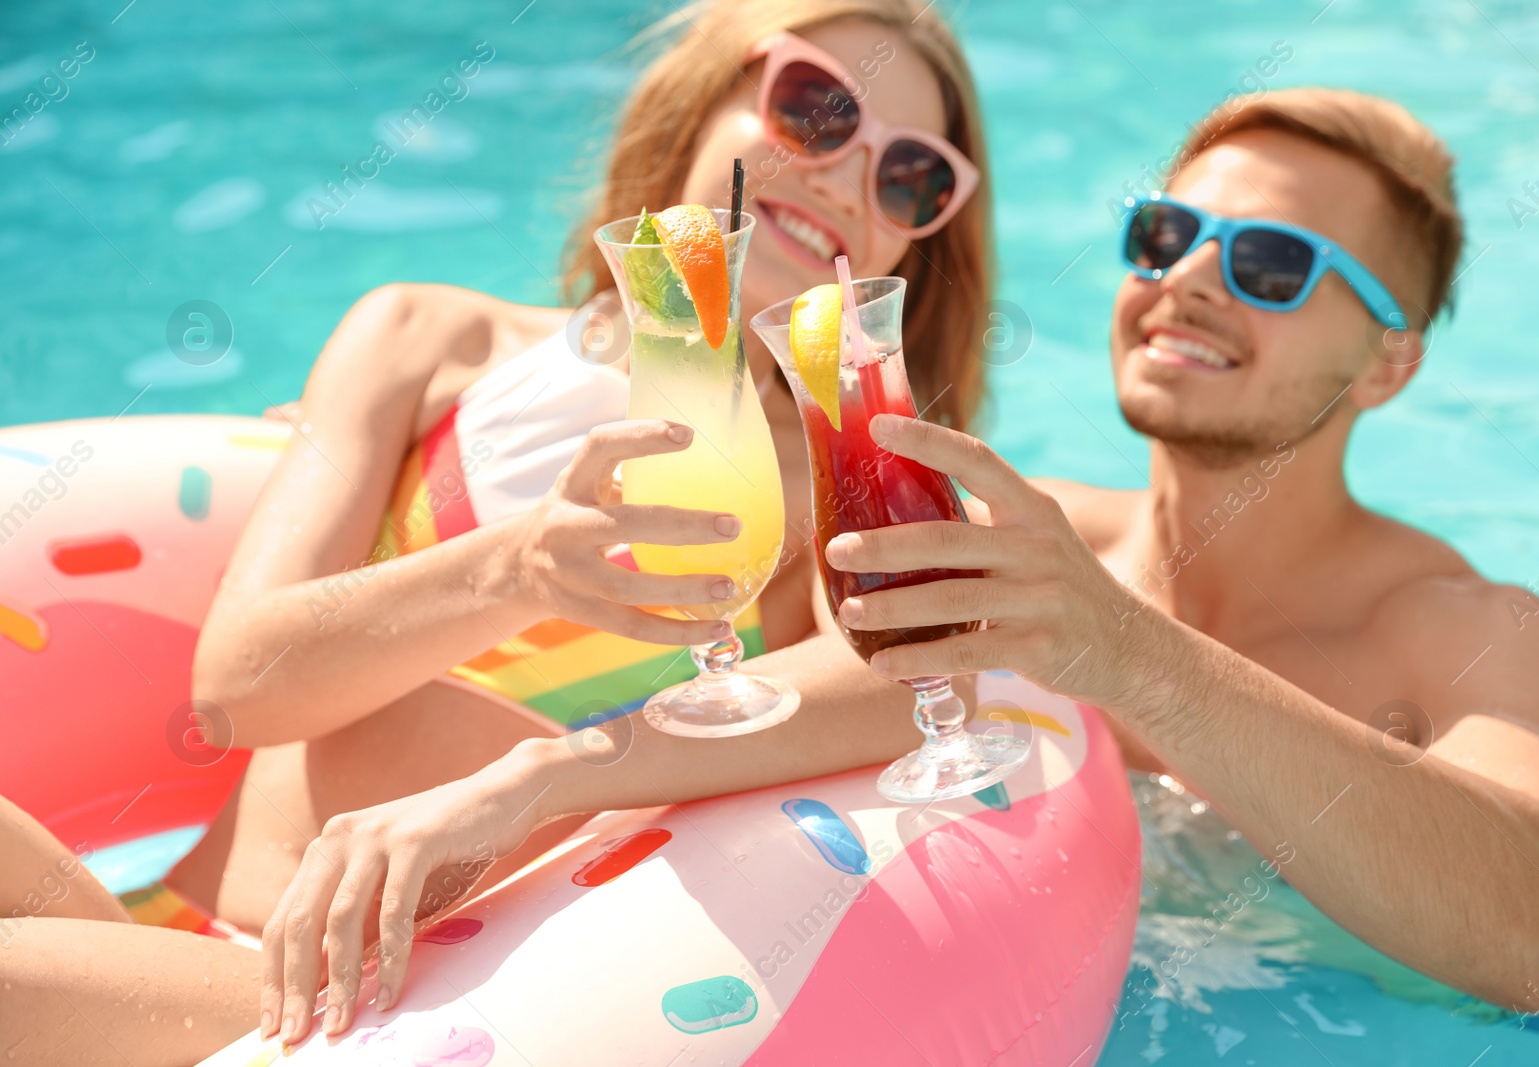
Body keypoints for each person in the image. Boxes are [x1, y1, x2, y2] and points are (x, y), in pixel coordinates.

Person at [258, 86, 1539, 1043]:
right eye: (1162, 235)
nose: (1189, 277)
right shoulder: (1003, 533)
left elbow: (1533, 942)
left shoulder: (1460, 628)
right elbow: (735, 550)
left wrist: (1133, 653)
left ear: (1391, 358)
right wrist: (363, 479)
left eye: (1268, 262)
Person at [2, 1, 993, 1061]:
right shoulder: (429, 340)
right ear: (701, 104)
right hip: (150, 938)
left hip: (374, 1016)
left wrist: (532, 779)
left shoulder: (835, 496)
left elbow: (921, 689)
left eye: (909, 178)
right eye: (817, 111)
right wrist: (514, 567)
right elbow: (238, 688)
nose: (846, 176)